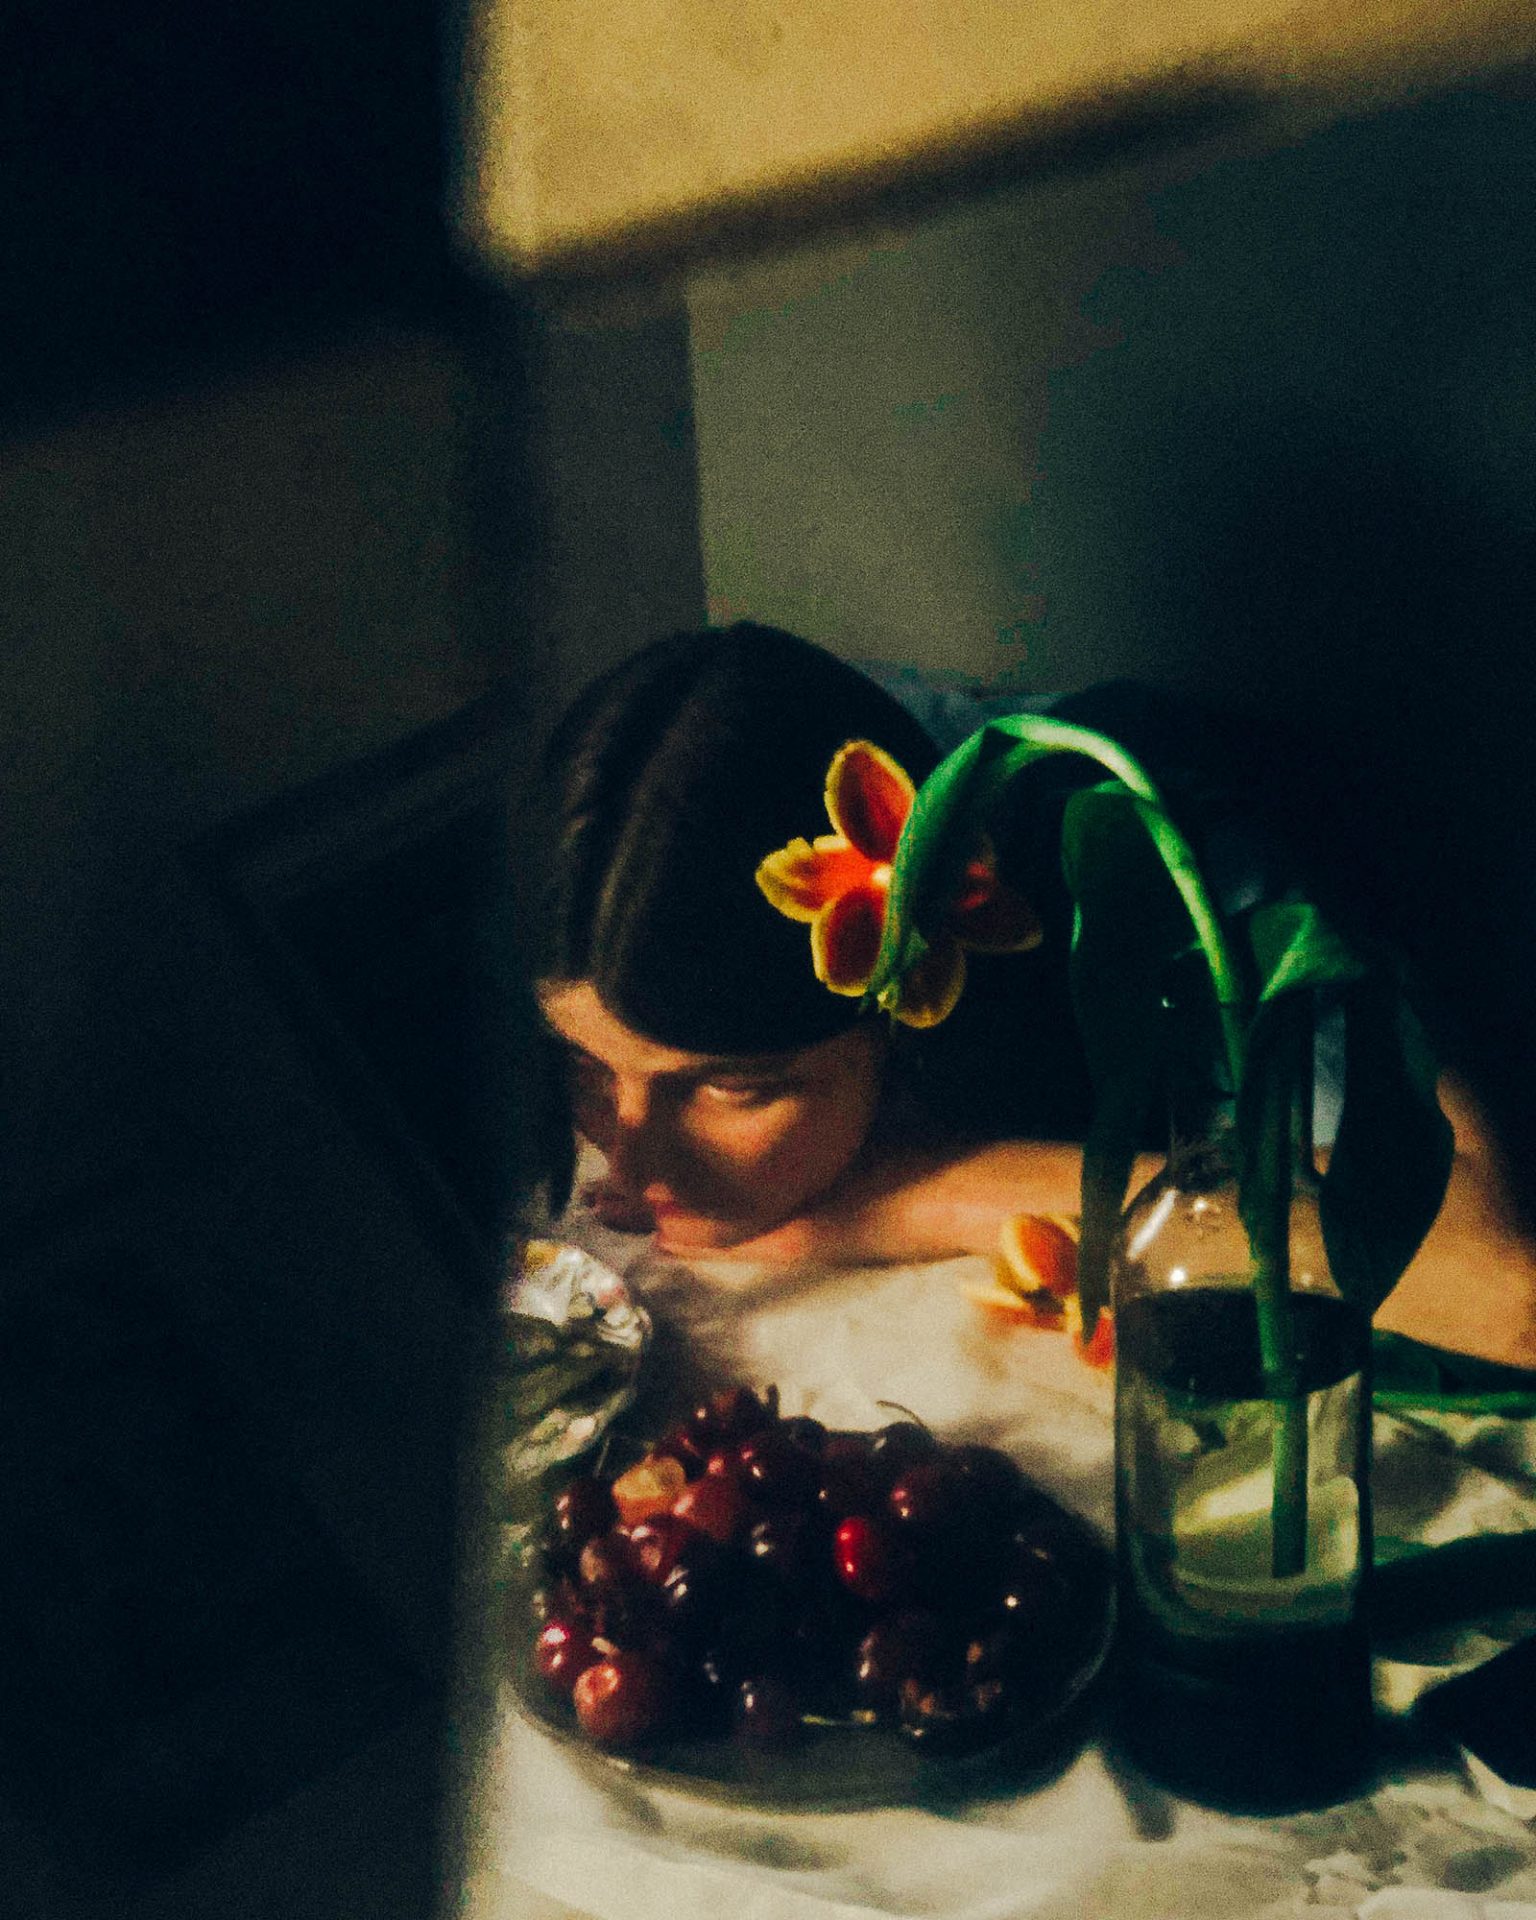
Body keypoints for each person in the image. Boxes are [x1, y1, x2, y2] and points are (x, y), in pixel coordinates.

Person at [522, 622, 1536, 1373]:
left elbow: (1503, 1280)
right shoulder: (701, 809)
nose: (631, 1163)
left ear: (903, 1008)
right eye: (586, 1066)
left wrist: (920, 1192)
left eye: (733, 1088)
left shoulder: (1146, 854)